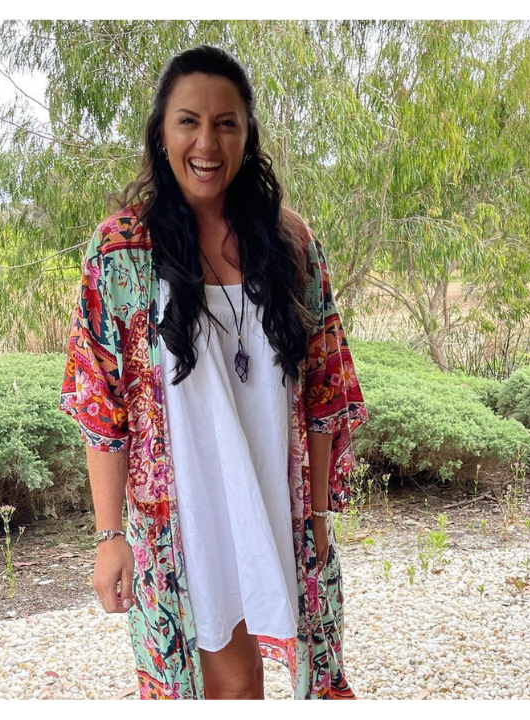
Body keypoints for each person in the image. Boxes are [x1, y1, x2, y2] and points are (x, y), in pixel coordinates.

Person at [59, 45, 367, 700]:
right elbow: (100, 406)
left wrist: (317, 517)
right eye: (188, 122)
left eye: (226, 123)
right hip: (186, 517)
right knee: (221, 680)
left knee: (256, 676)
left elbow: (325, 391)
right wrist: (109, 537)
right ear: (161, 134)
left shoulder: (290, 243)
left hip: (275, 501)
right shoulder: (121, 253)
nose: (207, 142)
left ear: (248, 135)